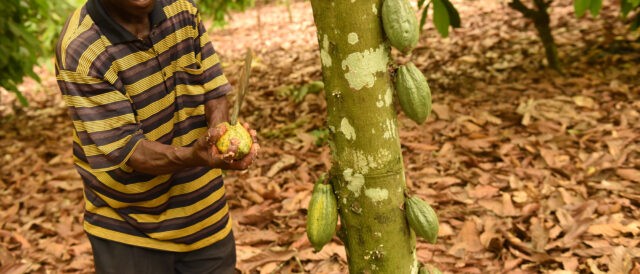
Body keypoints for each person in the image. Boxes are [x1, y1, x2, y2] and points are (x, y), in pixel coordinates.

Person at [55, 0, 259, 273]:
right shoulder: (81, 49)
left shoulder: (182, 9)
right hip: (130, 229)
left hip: (203, 213)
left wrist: (220, 137)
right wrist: (194, 155)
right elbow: (132, 151)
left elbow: (213, 88)